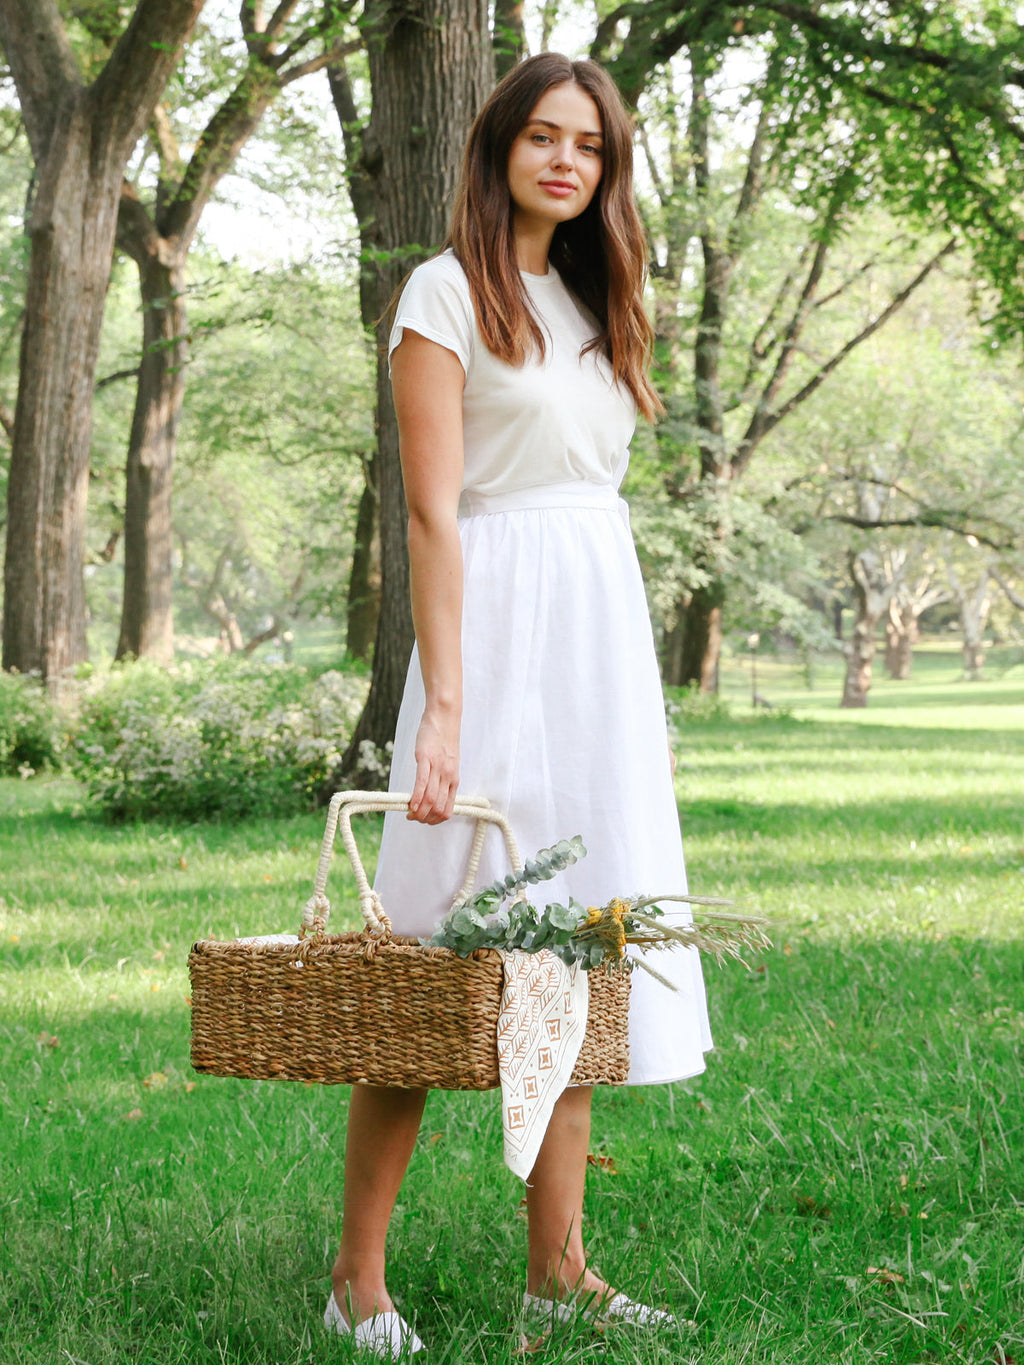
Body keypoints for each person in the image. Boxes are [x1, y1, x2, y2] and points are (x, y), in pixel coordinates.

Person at [324, 52, 713, 1357]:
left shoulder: (601, 300)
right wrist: (440, 713)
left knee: (582, 952)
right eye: (542, 137)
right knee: (437, 956)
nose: (565, 160)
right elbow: (431, 513)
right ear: (498, 149)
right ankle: (356, 1280)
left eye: (588, 146)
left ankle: (560, 1270)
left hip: (595, 637)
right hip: (490, 625)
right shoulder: (442, 294)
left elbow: (588, 490)